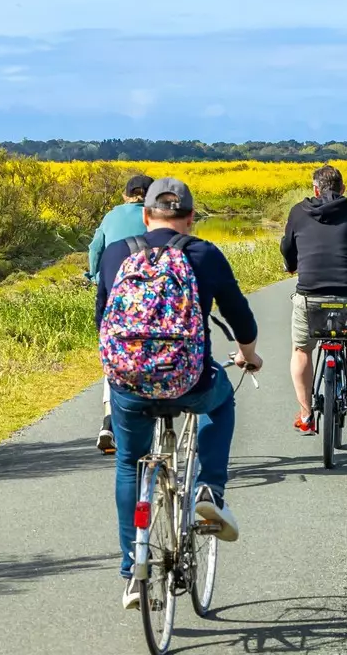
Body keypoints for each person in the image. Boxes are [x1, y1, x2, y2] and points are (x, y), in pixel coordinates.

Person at [94, 177, 262, 608]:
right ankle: (210, 490)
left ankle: (132, 570)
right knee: (222, 402)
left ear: (146, 216)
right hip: (189, 380)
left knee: (130, 463)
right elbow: (240, 316)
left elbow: (101, 320)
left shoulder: (117, 254)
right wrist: (250, 355)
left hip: (129, 383)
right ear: (190, 219)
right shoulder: (204, 253)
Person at [280, 164, 347, 434]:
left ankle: (306, 414)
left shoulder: (298, 212)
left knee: (302, 350)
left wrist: (291, 265)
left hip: (309, 296)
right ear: (343, 189)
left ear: (315, 189)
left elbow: (287, 248)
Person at [87, 172, 155, 455]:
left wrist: (94, 275)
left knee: (113, 353)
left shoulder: (112, 216)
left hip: (114, 293)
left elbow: (95, 247)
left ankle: (108, 419)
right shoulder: (156, 217)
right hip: (151, 296)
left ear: (126, 195)